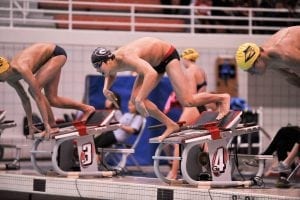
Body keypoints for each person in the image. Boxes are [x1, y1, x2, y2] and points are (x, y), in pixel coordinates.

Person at [91, 37, 230, 141]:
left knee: (188, 101)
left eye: (98, 67)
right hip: (152, 62)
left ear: (107, 61)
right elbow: (111, 73)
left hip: (167, 56)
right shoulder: (111, 62)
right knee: (135, 100)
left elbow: (150, 73)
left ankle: (222, 98)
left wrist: (140, 99)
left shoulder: (127, 57)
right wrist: (105, 89)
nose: (98, 71)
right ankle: (171, 125)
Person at [0, 43, 95, 139]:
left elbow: (38, 96)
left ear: (3, 71)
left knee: (33, 90)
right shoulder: (9, 79)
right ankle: (87, 109)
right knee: (52, 99)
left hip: (55, 54)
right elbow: (25, 100)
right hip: (48, 59)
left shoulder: (22, 68)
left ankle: (52, 125)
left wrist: (46, 125)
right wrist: (30, 123)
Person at [165, 48, 209, 179]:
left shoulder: (190, 71)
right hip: (202, 107)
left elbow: (190, 96)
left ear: (184, 59)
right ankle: (211, 169)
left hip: (193, 107)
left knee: (177, 138)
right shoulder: (201, 70)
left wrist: (175, 97)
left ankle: (173, 174)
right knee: (203, 140)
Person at [235, 26, 300, 87]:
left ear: (257, 58)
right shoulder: (267, 60)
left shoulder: (285, 53)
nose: (252, 74)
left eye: (251, 70)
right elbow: (289, 77)